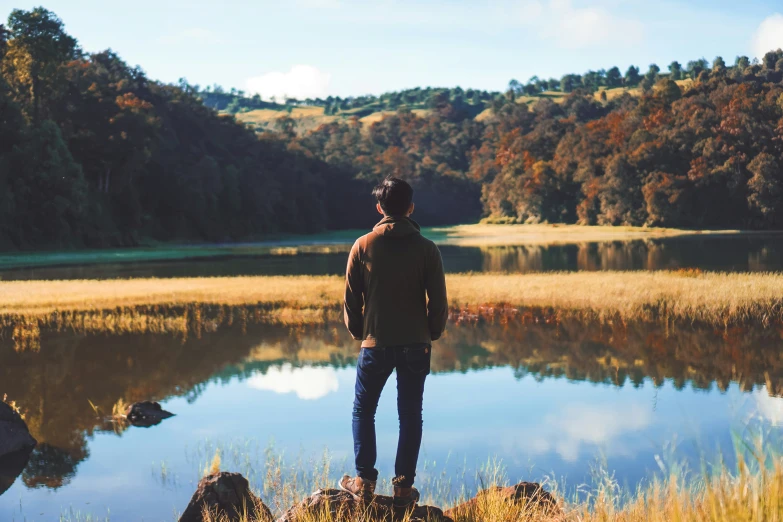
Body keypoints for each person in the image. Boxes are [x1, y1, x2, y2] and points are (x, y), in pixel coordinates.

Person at [339, 177, 448, 508]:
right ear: (410, 208)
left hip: (376, 345)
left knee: (363, 409)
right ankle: (403, 490)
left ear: (379, 208)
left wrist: (361, 334)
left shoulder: (363, 245)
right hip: (417, 345)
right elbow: (439, 304)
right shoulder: (427, 249)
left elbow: (350, 301)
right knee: (410, 414)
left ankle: (364, 482)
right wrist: (431, 333)